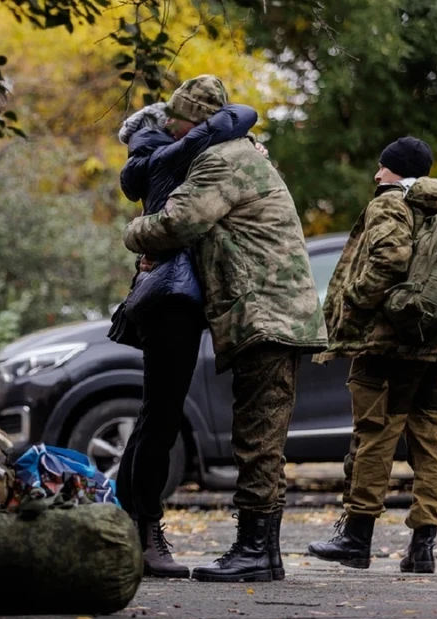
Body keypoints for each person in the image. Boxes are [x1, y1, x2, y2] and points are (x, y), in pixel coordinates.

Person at [123, 75, 327, 583]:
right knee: (261, 432)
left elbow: (175, 224)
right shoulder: (249, 154)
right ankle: (260, 551)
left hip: (264, 313)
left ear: (195, 123)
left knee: (258, 435)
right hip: (274, 311)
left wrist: (132, 232)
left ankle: (256, 551)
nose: (170, 131)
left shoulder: (222, 161)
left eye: (176, 123)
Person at [308, 138, 437, 573]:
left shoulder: (391, 204)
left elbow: (390, 259)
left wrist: (353, 303)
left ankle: (356, 539)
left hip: (387, 345)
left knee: (374, 433)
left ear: (395, 170)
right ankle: (422, 548)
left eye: (382, 167)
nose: (377, 175)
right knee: (435, 441)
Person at [114, 99, 259, 578]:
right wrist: (199, 120)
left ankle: (129, 525)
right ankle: (147, 533)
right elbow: (243, 114)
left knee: (155, 413)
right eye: (180, 122)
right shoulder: (163, 155)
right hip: (172, 297)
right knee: (162, 418)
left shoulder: (155, 154)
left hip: (170, 296)